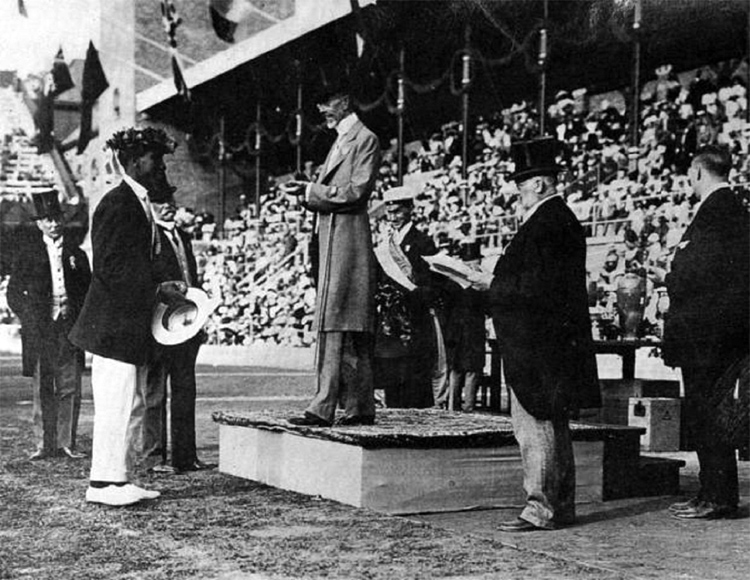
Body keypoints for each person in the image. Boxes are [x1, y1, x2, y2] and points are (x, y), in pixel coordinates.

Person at [468, 137, 600, 532]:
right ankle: (560, 505)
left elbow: (536, 289)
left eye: (522, 185)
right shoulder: (558, 220)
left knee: (536, 426)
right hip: (549, 341)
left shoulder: (547, 223)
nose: (518, 193)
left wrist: (488, 282)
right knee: (553, 425)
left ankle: (540, 506)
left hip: (537, 344)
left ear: (540, 184)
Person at [69, 127, 182, 506]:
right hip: (112, 325)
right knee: (115, 404)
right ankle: (102, 484)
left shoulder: (136, 201)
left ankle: (116, 479)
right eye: (156, 159)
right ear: (135, 162)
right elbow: (111, 267)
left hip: (121, 326)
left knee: (125, 402)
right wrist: (157, 290)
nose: (161, 166)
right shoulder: (118, 203)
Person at [281, 80, 380, 427]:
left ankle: (325, 406)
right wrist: (309, 191)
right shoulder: (342, 140)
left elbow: (355, 190)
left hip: (347, 241)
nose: (321, 110)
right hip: (335, 239)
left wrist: (311, 189)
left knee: (338, 323)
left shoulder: (364, 139)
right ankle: (358, 406)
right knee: (345, 323)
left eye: (326, 103)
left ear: (345, 99)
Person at [662, 145, 749, 520]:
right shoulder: (732, 211)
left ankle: (717, 495)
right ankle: (712, 492)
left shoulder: (716, 213)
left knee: (706, 414)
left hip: (707, 338)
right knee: (709, 414)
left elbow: (696, 272)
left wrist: (669, 277)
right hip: (716, 335)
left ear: (698, 173)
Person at [7, 190, 91, 460]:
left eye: (56, 218)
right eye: (47, 219)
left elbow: (88, 291)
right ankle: (44, 444)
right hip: (40, 330)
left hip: (69, 327)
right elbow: (13, 293)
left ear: (62, 220)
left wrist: (79, 318)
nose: (53, 224)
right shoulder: (27, 253)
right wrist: (29, 317)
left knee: (70, 385)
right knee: (43, 385)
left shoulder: (76, 254)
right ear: (39, 223)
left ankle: (67, 442)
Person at [141, 184, 216, 474]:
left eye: (170, 199)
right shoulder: (148, 238)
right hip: (159, 325)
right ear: (150, 206)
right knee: (156, 392)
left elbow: (193, 280)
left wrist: (199, 317)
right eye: (160, 201)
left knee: (185, 390)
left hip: (186, 325)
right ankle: (154, 457)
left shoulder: (183, 237)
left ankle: (185, 456)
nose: (167, 205)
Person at [373, 185, 441, 409]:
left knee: (415, 385)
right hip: (390, 325)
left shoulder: (422, 241)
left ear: (410, 210)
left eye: (398, 212)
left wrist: (411, 296)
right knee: (393, 384)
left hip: (415, 322)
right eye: (389, 213)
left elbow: (431, 283)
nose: (393, 218)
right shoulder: (384, 245)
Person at [444, 241, 486, 412]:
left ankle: (455, 408)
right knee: (467, 371)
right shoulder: (479, 281)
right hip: (470, 330)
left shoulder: (454, 280)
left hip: (459, 330)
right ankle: (464, 408)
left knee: (461, 370)